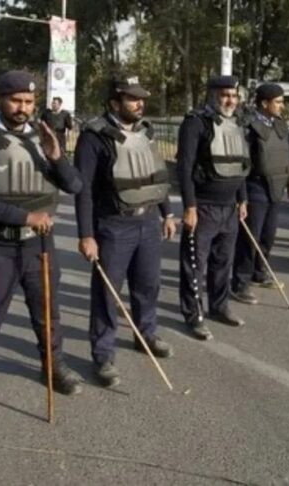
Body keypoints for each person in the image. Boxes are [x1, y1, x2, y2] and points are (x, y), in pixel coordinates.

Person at [0, 71, 84, 438]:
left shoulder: (42, 138)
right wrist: (25, 216)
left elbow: (74, 185)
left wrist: (56, 155)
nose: (22, 108)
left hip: (38, 245)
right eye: (15, 101)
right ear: (0, 98)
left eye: (28, 102)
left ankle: (52, 365)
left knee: (48, 315)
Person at [74, 74, 177, 387]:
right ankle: (103, 354)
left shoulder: (146, 131)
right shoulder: (94, 136)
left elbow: (155, 175)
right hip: (113, 225)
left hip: (146, 221)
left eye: (141, 97)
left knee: (148, 284)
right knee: (108, 293)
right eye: (132, 98)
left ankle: (146, 333)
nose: (139, 103)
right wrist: (86, 234)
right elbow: (84, 190)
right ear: (114, 102)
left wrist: (167, 213)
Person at [177, 75, 249, 340]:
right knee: (195, 265)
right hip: (204, 207)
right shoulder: (195, 123)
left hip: (229, 208)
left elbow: (240, 164)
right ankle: (193, 315)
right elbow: (184, 168)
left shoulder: (237, 124)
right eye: (224, 95)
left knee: (223, 262)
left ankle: (219, 307)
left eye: (233, 95)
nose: (229, 100)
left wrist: (242, 199)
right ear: (212, 95)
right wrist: (190, 206)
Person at [230, 83, 289, 305]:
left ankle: (260, 272)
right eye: (277, 102)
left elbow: (286, 155)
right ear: (264, 103)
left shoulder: (279, 124)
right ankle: (240, 283)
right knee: (250, 238)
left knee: (268, 236)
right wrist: (242, 197)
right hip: (256, 188)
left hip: (276, 187)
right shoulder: (249, 126)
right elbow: (242, 163)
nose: (281, 106)